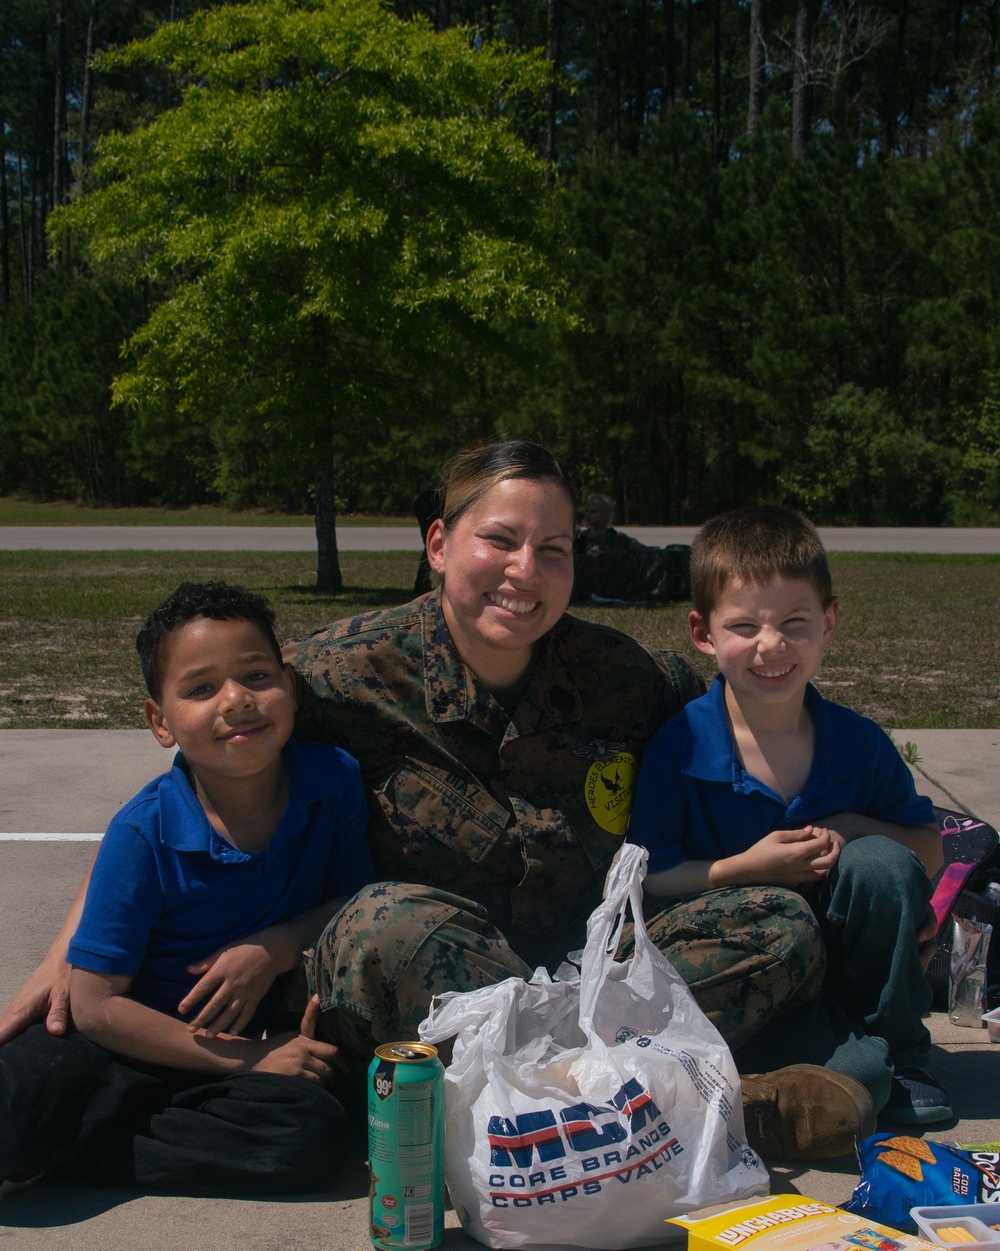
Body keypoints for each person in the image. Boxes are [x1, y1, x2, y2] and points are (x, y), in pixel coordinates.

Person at [0, 444, 861, 1163]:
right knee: (385, 924)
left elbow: (758, 703)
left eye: (554, 548)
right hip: (422, 986)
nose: (526, 572)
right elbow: (188, 776)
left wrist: (896, 832)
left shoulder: (623, 675)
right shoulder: (339, 673)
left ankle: (574, 1108)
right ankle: (677, 1105)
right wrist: (67, 952)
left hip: (583, 973)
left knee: (776, 923)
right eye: (500, 540)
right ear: (441, 543)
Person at [0, 582, 373, 1197]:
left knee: (310, 1139)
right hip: (129, 1041)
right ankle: (66, 1143)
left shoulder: (333, 779)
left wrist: (276, 946)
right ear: (160, 721)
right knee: (10, 1115)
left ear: (290, 683)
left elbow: (354, 900)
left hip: (235, 1051)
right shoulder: (143, 832)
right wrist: (247, 1060)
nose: (236, 700)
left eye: (256, 674)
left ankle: (77, 1151)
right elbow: (95, 1006)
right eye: (201, 688)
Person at [629, 505, 949, 1149]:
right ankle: (810, 1070)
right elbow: (652, 876)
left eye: (794, 623)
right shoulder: (682, 745)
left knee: (880, 861)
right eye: (743, 626)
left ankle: (901, 1051)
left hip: (847, 980)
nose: (771, 646)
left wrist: (853, 825)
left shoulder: (857, 744)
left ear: (829, 622)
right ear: (703, 632)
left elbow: (930, 849)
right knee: (861, 1079)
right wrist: (748, 868)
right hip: (754, 978)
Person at [573, 492, 691, 604]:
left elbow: (636, 547)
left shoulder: (615, 537)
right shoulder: (582, 537)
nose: (588, 514)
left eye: (593, 512)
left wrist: (652, 551)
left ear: (605, 515)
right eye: (587, 511)